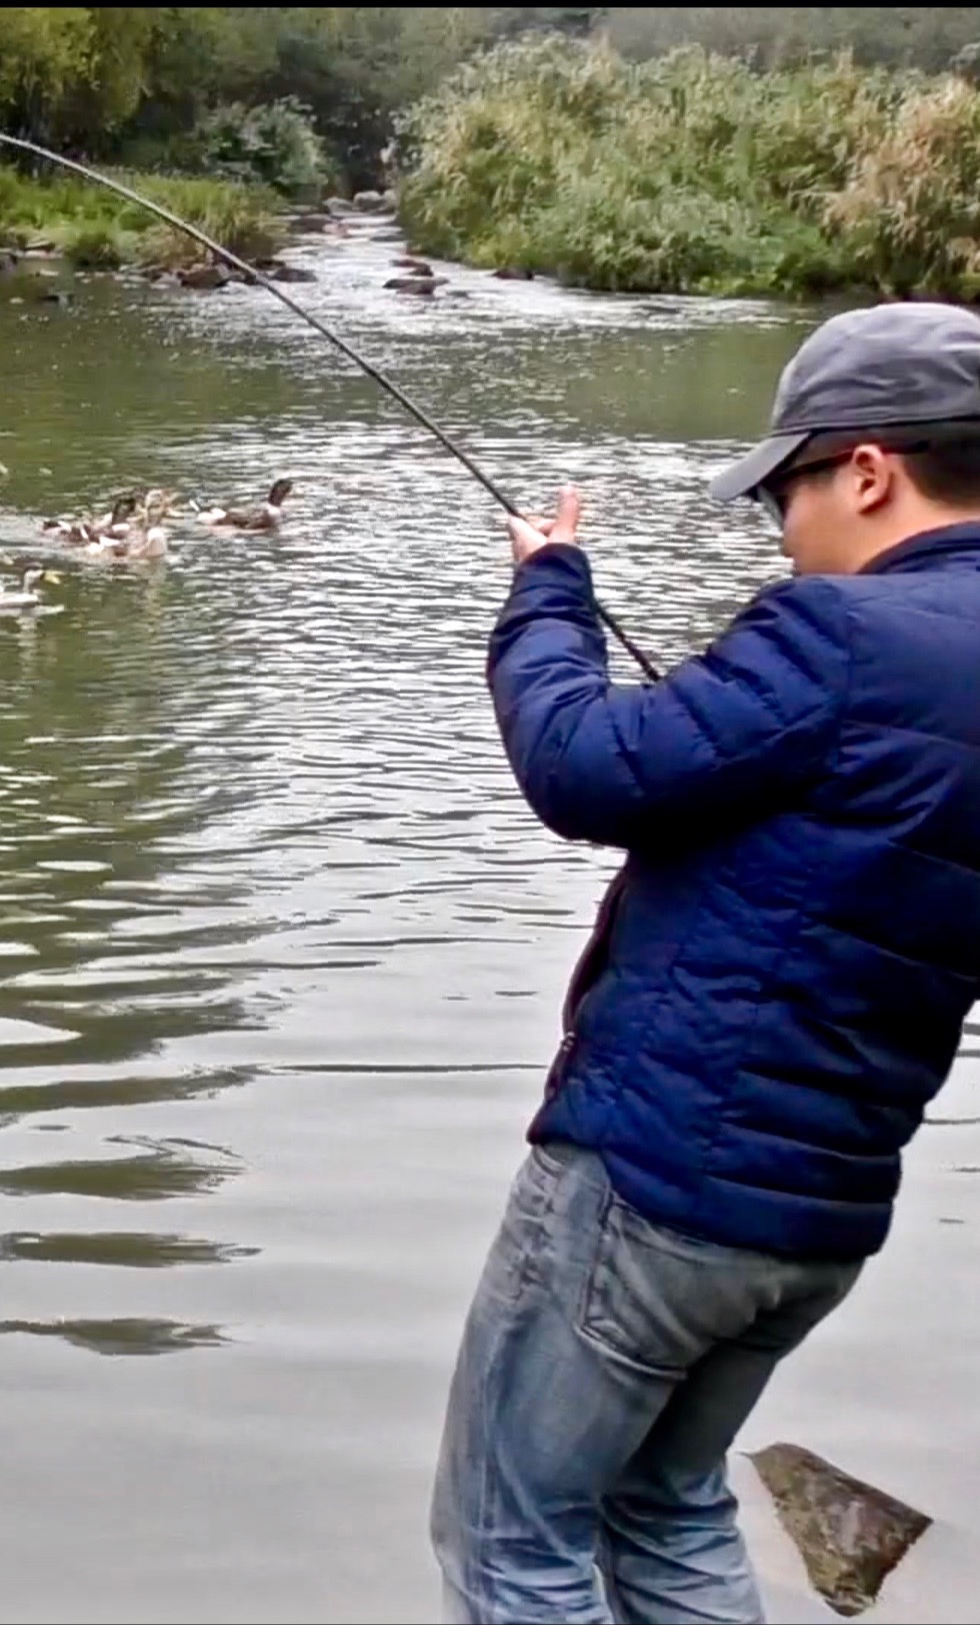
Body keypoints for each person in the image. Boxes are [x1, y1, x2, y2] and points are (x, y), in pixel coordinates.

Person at [431, 299, 980, 1623]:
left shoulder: (839, 638)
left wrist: (548, 590)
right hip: (821, 1208)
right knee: (666, 1511)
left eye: (784, 488)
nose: (779, 528)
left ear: (865, 469)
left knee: (514, 1541)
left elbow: (580, 766)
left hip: (659, 1182)